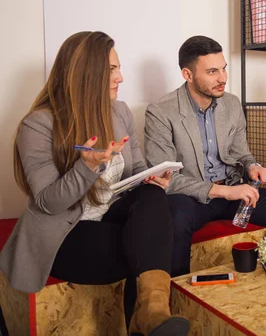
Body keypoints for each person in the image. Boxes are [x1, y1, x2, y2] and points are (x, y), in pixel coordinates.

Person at [0, 31, 189, 336]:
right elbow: (49, 202)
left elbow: (137, 168)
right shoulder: (37, 124)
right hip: (66, 234)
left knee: (154, 199)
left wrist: (153, 178)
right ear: (87, 74)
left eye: (119, 68)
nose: (122, 77)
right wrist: (86, 167)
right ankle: (145, 323)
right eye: (112, 70)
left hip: (109, 216)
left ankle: (153, 312)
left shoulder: (120, 112)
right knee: (143, 246)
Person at [144, 35, 266, 277]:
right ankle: (176, 298)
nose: (223, 78)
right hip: (191, 198)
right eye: (212, 71)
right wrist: (223, 191)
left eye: (223, 69)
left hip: (234, 190)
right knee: (174, 219)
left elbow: (241, 153)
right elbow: (166, 179)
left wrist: (252, 166)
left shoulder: (231, 104)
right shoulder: (161, 111)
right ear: (187, 75)